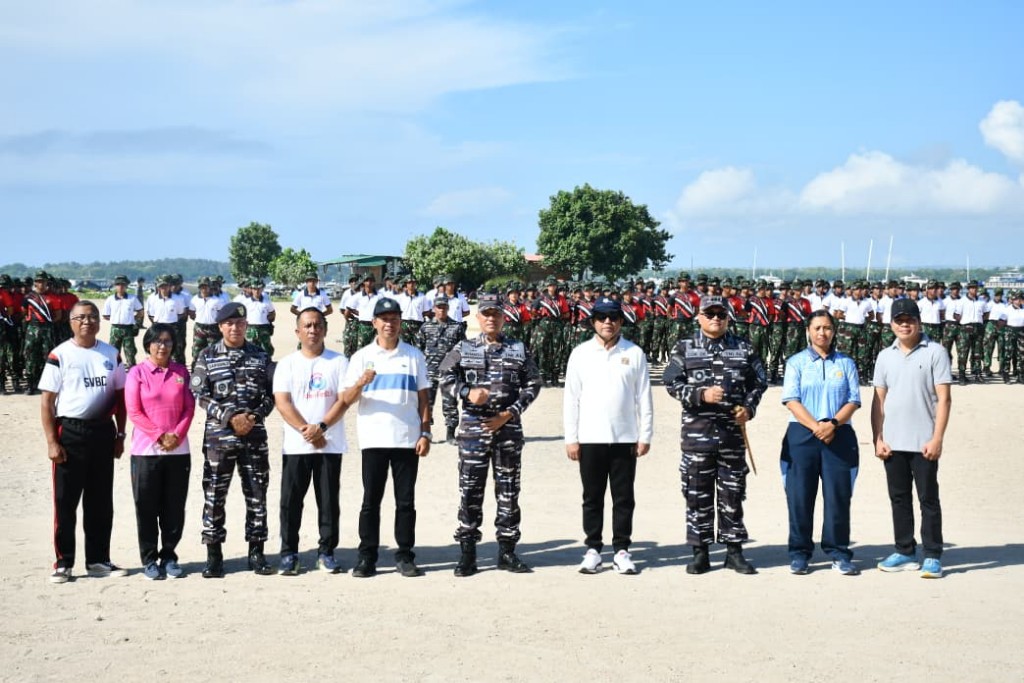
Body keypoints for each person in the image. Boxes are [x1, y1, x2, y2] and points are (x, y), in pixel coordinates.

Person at [439, 293, 542, 576]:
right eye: (485, 313)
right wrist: (466, 392)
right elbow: (444, 376)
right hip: (473, 430)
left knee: (508, 490)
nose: (491, 318)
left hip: (507, 430)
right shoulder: (464, 348)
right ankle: (468, 553)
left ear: (503, 317)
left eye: (496, 313)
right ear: (478, 317)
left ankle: (507, 551)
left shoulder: (518, 349)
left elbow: (533, 384)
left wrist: (509, 413)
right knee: (470, 490)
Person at [664, 295, 768, 575]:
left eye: (721, 314)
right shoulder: (685, 347)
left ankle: (734, 552)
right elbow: (671, 382)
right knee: (697, 494)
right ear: (699, 317)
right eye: (710, 313)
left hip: (731, 436)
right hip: (698, 435)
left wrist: (749, 408)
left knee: (732, 494)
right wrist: (700, 394)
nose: (715, 318)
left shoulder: (743, 348)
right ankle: (700, 552)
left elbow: (759, 382)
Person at [341, 298, 431, 578]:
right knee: (371, 500)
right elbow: (346, 399)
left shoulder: (413, 356)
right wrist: (360, 383)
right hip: (374, 439)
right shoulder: (361, 357)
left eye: (394, 319)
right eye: (384, 319)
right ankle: (367, 555)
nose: (389, 324)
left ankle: (405, 554)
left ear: (400, 322)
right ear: (374, 323)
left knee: (405, 501)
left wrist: (426, 431)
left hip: (406, 438)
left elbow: (424, 397)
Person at [39, 300, 128, 583]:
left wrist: (120, 434)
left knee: (100, 501)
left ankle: (98, 560)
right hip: (70, 433)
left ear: (100, 322)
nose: (87, 322)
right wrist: (52, 441)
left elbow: (121, 398)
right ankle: (63, 562)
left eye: (92, 317)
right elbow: (47, 402)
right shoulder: (60, 354)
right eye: (81, 317)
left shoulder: (111, 354)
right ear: (71, 322)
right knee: (66, 501)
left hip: (103, 431)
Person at [564, 296, 652, 575]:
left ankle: (622, 550)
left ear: (621, 321)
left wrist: (645, 435)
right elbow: (571, 399)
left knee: (624, 497)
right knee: (592, 496)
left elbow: (644, 398)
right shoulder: (580, 353)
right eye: (601, 317)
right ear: (593, 322)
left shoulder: (634, 353)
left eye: (613, 317)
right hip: (590, 437)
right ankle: (593, 550)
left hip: (625, 437)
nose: (607, 322)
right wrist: (571, 437)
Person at [191, 301, 277, 578]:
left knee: (257, 493)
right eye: (229, 323)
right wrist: (229, 417)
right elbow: (200, 394)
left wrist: (252, 416)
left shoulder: (260, 356)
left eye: (240, 323)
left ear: (247, 326)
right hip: (219, 438)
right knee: (215, 495)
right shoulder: (206, 356)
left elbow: (272, 395)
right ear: (220, 326)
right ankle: (214, 555)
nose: (235, 328)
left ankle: (257, 552)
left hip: (254, 436)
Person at [871, 298, 952, 579]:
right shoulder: (885, 356)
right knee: (899, 498)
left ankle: (932, 554)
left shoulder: (936, 352)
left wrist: (937, 437)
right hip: (893, 442)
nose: (904, 325)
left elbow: (944, 399)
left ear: (919, 321)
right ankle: (905, 551)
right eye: (899, 320)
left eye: (910, 320)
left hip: (923, 441)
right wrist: (877, 437)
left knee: (928, 498)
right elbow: (878, 400)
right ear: (891, 323)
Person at [779, 310, 862, 575]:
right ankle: (800, 553)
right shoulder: (796, 362)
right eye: (817, 328)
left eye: (827, 328)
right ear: (808, 331)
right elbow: (791, 400)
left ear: (834, 331)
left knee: (838, 497)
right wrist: (816, 427)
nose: (822, 333)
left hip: (839, 434)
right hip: (803, 435)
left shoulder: (846, 363)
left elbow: (854, 399)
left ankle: (838, 551)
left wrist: (833, 424)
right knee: (800, 496)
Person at [273, 307, 350, 575]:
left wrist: (322, 428)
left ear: (325, 330)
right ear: (298, 331)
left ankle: (326, 552)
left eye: (317, 325)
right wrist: (307, 431)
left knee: (328, 502)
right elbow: (282, 403)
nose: (312, 330)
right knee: (291, 501)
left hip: (330, 444)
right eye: (307, 326)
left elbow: (343, 400)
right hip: (296, 445)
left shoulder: (339, 362)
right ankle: (289, 554)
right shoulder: (287, 364)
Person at [124, 323, 195, 579]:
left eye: (167, 341)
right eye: (157, 341)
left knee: (173, 506)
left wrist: (176, 434)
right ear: (148, 345)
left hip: (178, 451)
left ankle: (169, 556)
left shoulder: (180, 372)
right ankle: (149, 559)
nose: (162, 346)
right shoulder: (137, 373)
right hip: (145, 452)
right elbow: (134, 411)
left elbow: (188, 408)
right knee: (146, 506)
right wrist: (158, 435)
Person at [415, 294, 465, 443]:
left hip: (449, 371)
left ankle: (450, 434)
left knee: (450, 403)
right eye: (439, 307)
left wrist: (455, 367)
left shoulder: (456, 327)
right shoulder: (426, 327)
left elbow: (463, 349)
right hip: (429, 371)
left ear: (448, 308)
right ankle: (425, 432)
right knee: (426, 403)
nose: (441, 310)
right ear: (434, 309)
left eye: (444, 307)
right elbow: (418, 349)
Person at [102, 275, 144, 368]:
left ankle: (132, 368)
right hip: (115, 329)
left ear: (126, 286)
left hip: (128, 328)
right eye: (118, 284)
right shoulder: (110, 299)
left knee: (130, 351)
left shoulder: (132, 298)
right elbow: (105, 315)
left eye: (123, 284)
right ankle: (114, 367)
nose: (120, 286)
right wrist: (114, 319)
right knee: (113, 350)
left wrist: (132, 318)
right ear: (115, 286)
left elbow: (141, 312)